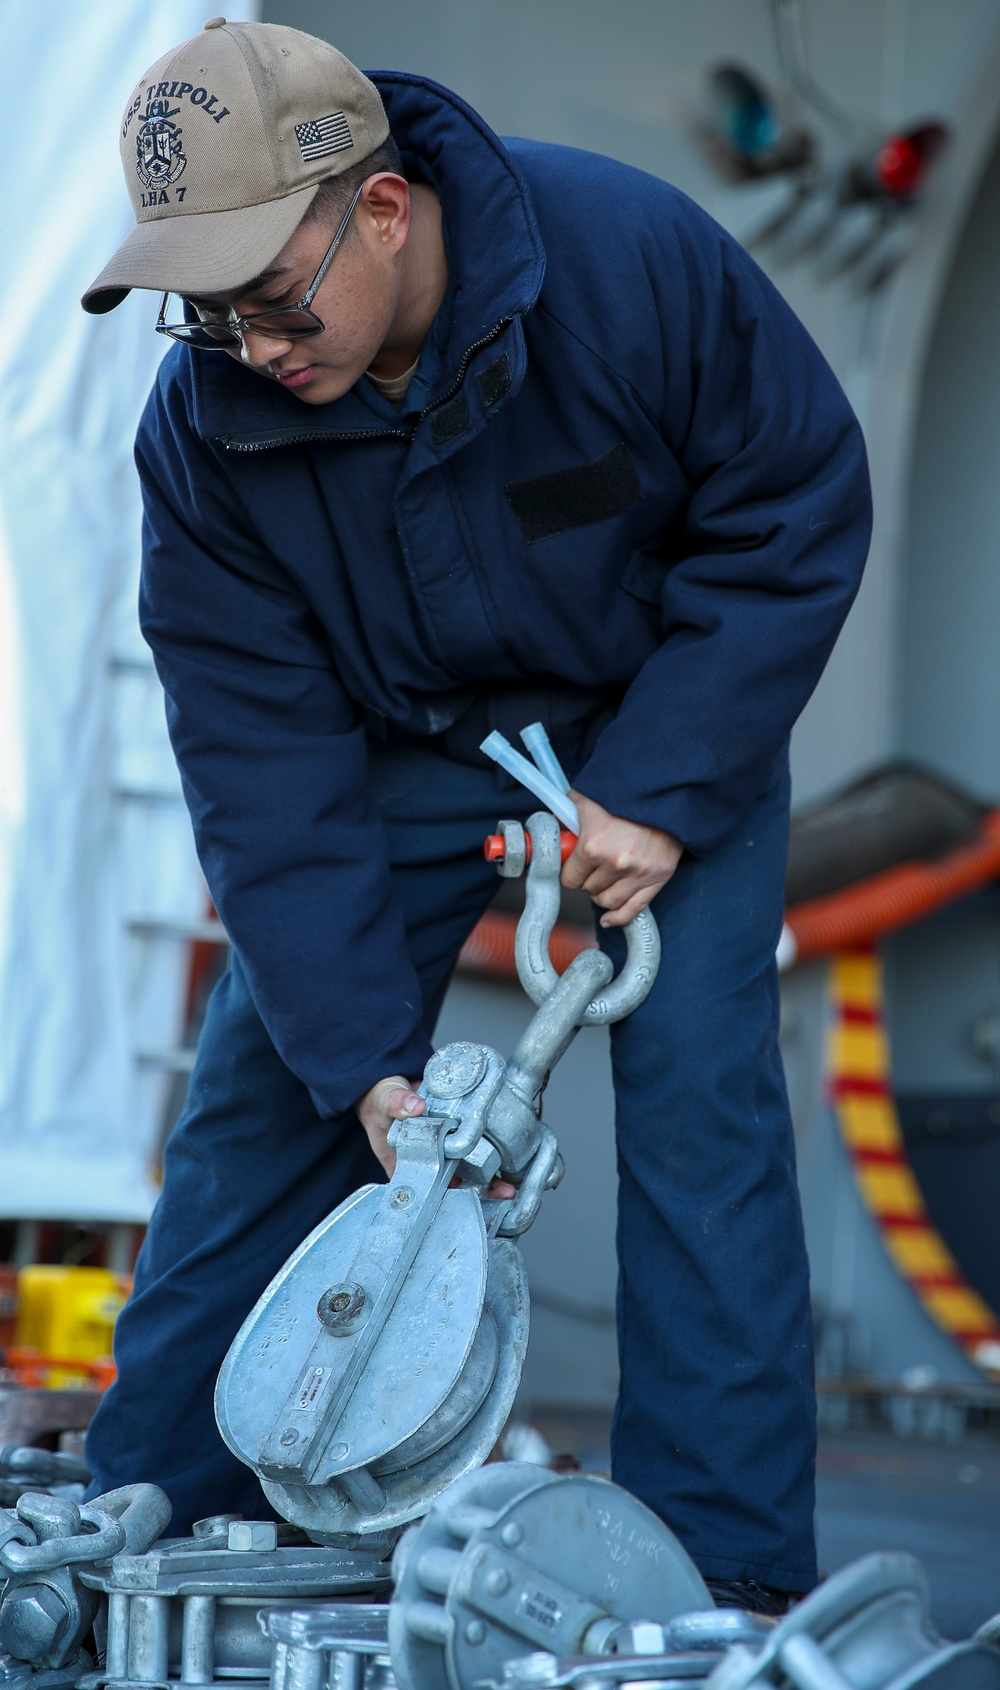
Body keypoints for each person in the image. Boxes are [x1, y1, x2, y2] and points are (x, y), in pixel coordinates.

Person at [81, 19, 871, 1612]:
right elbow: (258, 753)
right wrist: (368, 1069)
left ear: (381, 210)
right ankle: (140, 1528)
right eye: (205, 313)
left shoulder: (633, 263)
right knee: (268, 1097)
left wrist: (659, 792)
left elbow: (793, 507)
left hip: (663, 715)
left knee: (706, 1108)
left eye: (274, 299)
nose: (249, 348)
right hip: (400, 742)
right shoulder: (208, 429)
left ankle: (723, 1585)